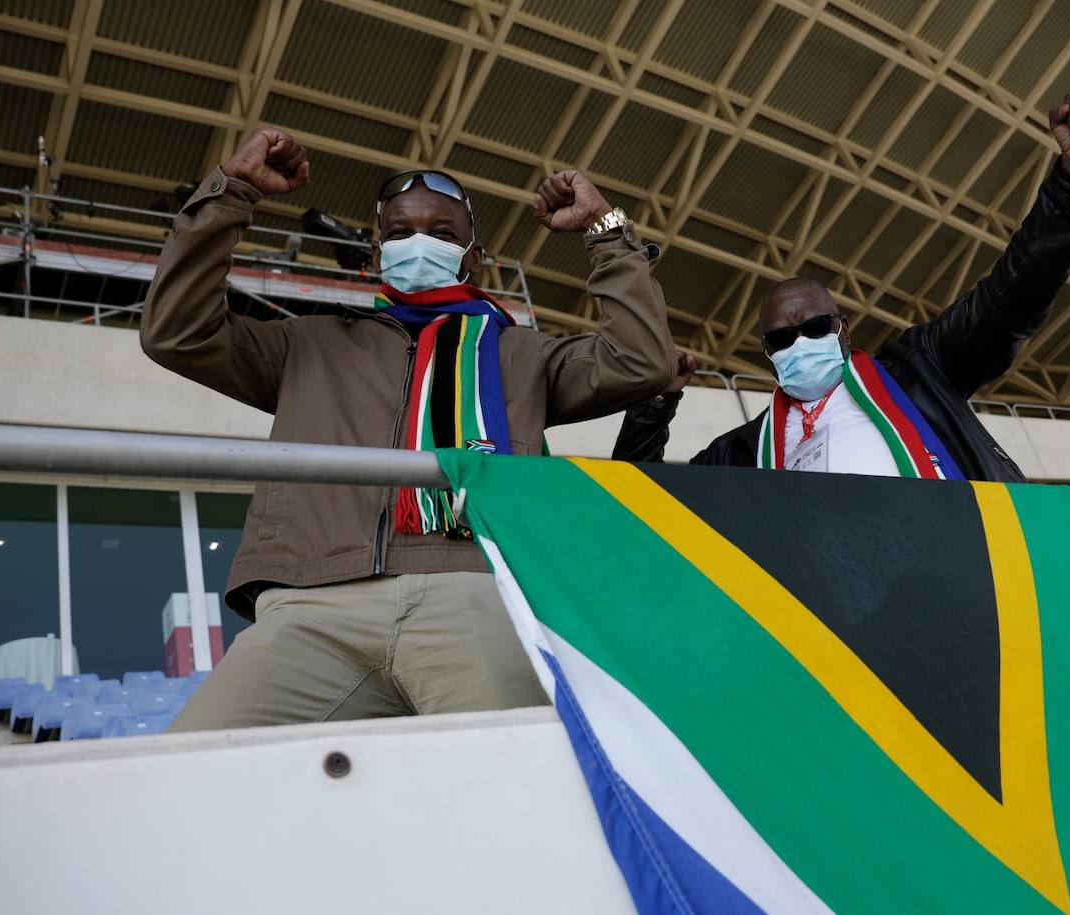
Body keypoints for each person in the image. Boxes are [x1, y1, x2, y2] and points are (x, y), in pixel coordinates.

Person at [142, 126, 674, 730]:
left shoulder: (522, 355)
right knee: (190, 769)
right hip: (311, 602)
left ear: (473, 258)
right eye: (399, 233)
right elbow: (177, 333)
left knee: (519, 797)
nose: (418, 243)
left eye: (442, 233)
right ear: (375, 255)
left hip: (476, 595)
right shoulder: (307, 343)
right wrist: (232, 191)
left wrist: (605, 231)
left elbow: (641, 360)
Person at [613, 92, 1070, 482]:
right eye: (782, 339)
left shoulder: (923, 370)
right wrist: (653, 406)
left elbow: (1015, 292)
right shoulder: (744, 453)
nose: (800, 343)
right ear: (767, 353)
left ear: (842, 329)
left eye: (814, 326)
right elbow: (640, 505)